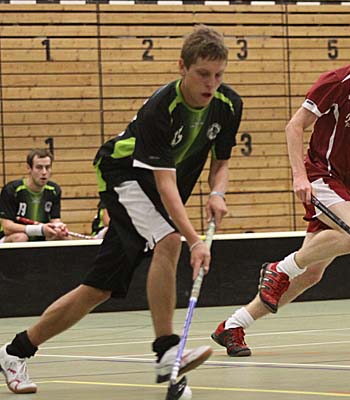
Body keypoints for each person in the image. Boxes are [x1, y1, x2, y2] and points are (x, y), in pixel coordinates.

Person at [0, 25, 243, 394]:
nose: (211, 84)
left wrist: (218, 193)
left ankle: (14, 352)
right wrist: (195, 240)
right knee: (169, 239)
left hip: (156, 191)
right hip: (123, 175)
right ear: (182, 67)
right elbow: (164, 184)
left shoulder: (228, 105)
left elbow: (221, 163)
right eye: (202, 74)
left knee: (97, 289)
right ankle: (167, 351)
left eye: (218, 75)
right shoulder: (161, 109)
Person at [211, 10, 350, 357]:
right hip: (322, 174)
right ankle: (279, 268)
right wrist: (299, 175)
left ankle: (234, 325)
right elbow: (295, 126)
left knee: (311, 274)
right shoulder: (338, 80)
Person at [0, 148, 69, 243]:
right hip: (8, 239)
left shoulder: (54, 190)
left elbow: (55, 220)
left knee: (64, 238)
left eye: (47, 167)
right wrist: (39, 230)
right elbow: (7, 227)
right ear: (29, 168)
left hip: (41, 236)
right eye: (39, 167)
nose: (44, 172)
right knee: (20, 237)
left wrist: (59, 227)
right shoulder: (12, 190)